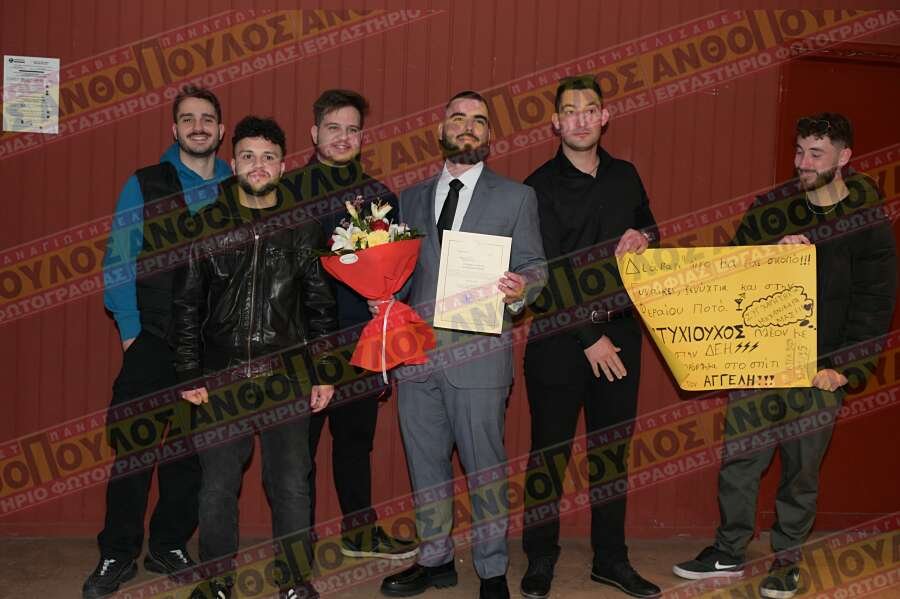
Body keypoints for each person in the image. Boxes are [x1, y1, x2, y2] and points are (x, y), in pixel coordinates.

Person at [672, 113, 897, 599]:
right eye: (799, 151)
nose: (803, 163)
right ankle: (728, 551)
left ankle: (786, 561)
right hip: (759, 361)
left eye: (816, 154)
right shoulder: (772, 209)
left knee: (801, 470)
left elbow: (875, 302)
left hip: (821, 372)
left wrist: (846, 369)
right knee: (740, 461)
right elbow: (731, 271)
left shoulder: (867, 220)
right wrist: (772, 251)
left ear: (844, 157)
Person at [378, 90, 548, 599]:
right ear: (441, 130)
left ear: (489, 134)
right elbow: (399, 273)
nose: (468, 126)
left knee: (485, 470)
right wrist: (381, 298)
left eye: (478, 120)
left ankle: (492, 570)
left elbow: (536, 267)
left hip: (479, 358)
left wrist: (521, 289)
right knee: (426, 468)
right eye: (458, 117)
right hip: (416, 357)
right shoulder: (409, 198)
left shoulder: (517, 197)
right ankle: (435, 560)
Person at [173, 116, 338, 599]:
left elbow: (321, 307)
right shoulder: (206, 226)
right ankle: (216, 584)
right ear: (233, 163)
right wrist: (188, 373)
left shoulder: (304, 228)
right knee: (217, 488)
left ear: (283, 166)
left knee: (291, 486)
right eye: (248, 156)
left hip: (287, 377)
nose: (258, 165)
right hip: (220, 379)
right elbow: (186, 305)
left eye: (268, 157)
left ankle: (295, 582)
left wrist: (324, 371)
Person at [84, 86, 232, 599]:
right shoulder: (145, 183)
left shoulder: (237, 185)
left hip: (208, 347)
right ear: (174, 129)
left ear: (220, 129)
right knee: (133, 452)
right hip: (150, 338)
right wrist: (130, 332)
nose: (198, 126)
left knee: (191, 455)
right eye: (188, 119)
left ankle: (168, 544)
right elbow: (119, 259)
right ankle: (117, 552)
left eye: (206, 118)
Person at [518, 75, 661, 599]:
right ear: (555, 122)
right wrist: (588, 336)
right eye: (570, 111)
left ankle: (611, 559)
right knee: (548, 456)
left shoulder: (626, 176)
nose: (580, 119)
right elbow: (548, 272)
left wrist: (644, 235)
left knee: (611, 454)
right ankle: (540, 557)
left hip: (620, 335)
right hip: (559, 339)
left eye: (590, 109)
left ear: (604, 116)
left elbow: (651, 227)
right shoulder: (536, 186)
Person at [304, 89, 418, 560]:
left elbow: (398, 271)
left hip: (359, 343)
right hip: (302, 346)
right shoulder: (286, 194)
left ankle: (359, 533)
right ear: (315, 132)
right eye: (334, 128)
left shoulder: (379, 198)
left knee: (355, 444)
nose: (343, 137)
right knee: (297, 451)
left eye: (352, 129)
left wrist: (388, 300)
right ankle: (298, 543)